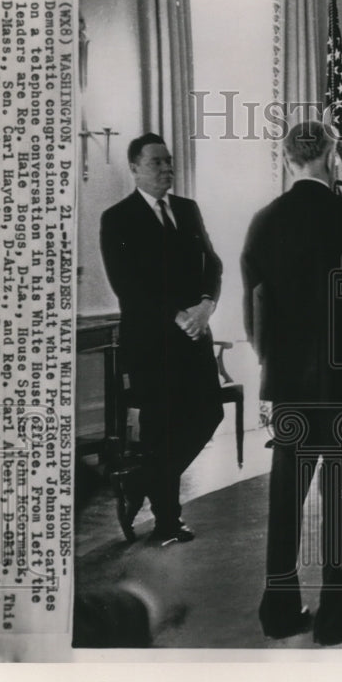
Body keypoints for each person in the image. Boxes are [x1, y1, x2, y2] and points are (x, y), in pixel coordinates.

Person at [241, 121, 342, 645]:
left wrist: (273, 369)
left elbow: (255, 314)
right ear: (330, 156)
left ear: (286, 160)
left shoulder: (262, 222)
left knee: (286, 502)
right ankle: (333, 618)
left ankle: (278, 613)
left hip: (290, 390)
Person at [100, 134, 224, 546]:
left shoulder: (188, 210)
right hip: (152, 342)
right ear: (134, 167)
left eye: (169, 162)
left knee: (210, 414)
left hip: (195, 336)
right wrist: (177, 315)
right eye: (156, 163)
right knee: (161, 429)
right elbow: (127, 285)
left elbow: (214, 264)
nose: (166, 169)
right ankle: (168, 521)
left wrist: (207, 304)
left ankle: (139, 482)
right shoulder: (117, 218)